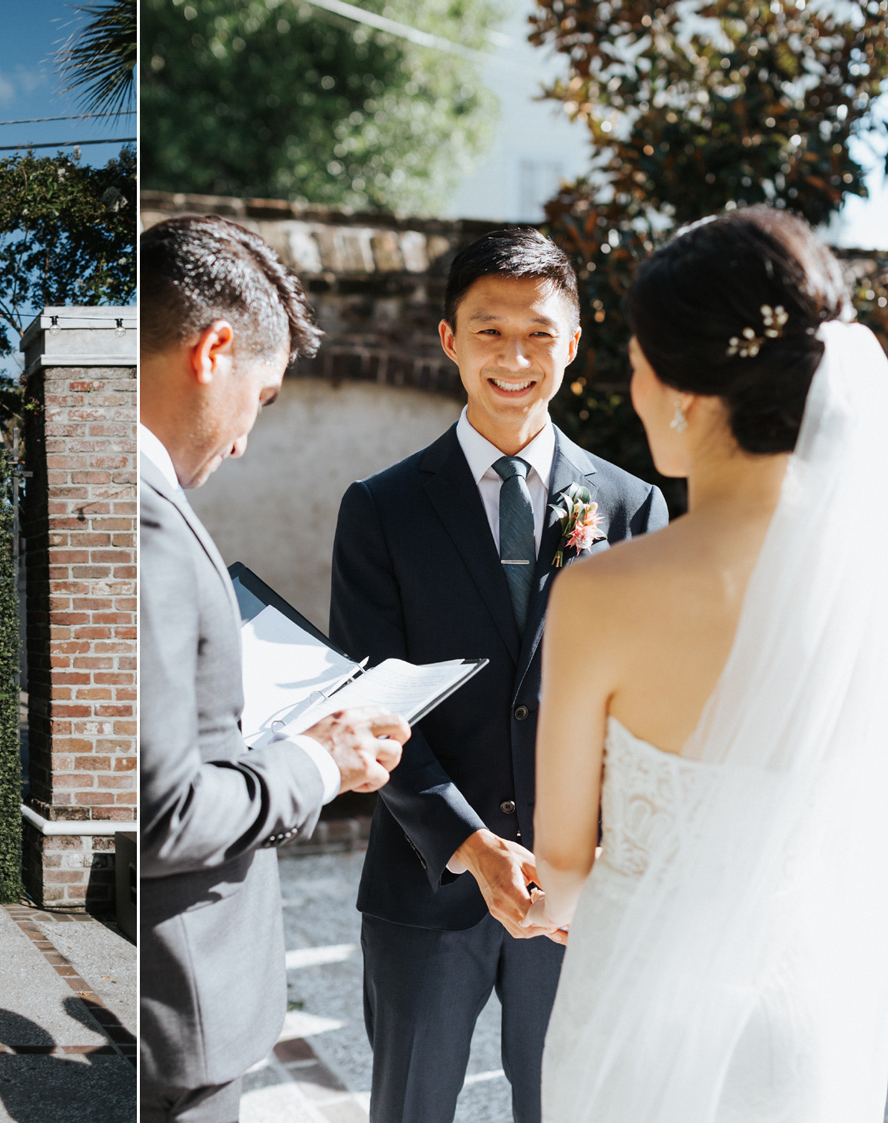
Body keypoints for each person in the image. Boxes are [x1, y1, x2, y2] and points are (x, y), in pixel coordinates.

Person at [530, 207, 888, 1121]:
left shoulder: (606, 594)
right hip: (814, 1019)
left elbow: (563, 858)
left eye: (638, 362)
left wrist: (551, 902)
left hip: (638, 1017)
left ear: (682, 389)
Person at [328, 228, 667, 1123]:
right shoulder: (380, 508)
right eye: (489, 332)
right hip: (426, 876)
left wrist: (592, 851)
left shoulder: (630, 505)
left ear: (575, 343)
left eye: (539, 334)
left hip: (580, 889)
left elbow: (643, 708)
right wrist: (472, 846)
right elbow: (367, 703)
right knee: (411, 1108)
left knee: (565, 1105)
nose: (515, 358)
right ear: (447, 339)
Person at [140, 213, 410, 1123]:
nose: (248, 436)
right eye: (263, 396)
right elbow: (163, 811)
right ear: (215, 349)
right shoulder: (145, 522)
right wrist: (318, 765)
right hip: (181, 1012)